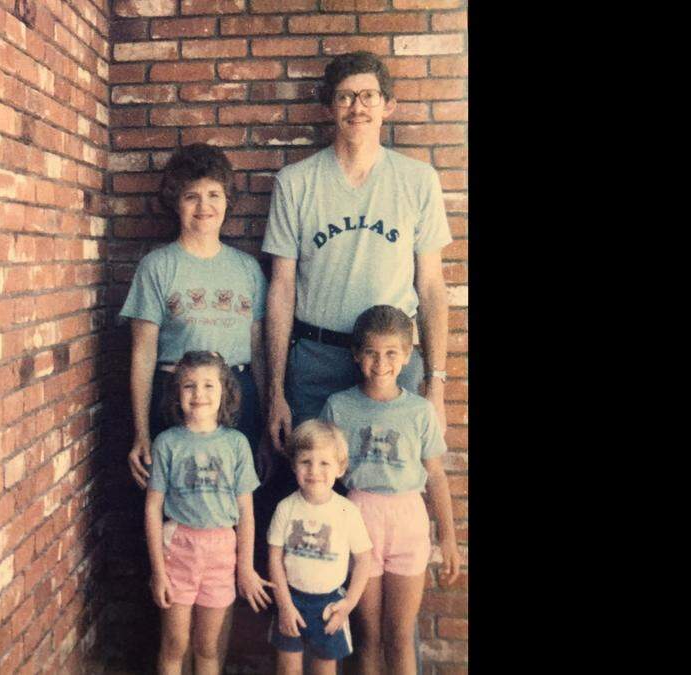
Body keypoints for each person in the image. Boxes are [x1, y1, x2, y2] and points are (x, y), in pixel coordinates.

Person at [262, 50, 453, 459]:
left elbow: (432, 287)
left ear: (389, 105)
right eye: (346, 97)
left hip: (393, 364)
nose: (357, 107)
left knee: (389, 488)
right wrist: (276, 391)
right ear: (329, 106)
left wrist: (435, 383)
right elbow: (281, 289)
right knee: (313, 493)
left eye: (368, 96)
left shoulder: (418, 181)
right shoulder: (295, 183)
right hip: (316, 360)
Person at [319, 306, 461, 674]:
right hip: (358, 519)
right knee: (367, 634)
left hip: (408, 519)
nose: (380, 363)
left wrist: (448, 538)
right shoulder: (339, 406)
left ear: (407, 355)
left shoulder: (420, 411)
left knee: (399, 634)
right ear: (355, 354)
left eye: (391, 353)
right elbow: (324, 475)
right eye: (370, 352)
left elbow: (436, 475)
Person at [122, 143, 269, 489]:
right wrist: (141, 432)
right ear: (176, 202)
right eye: (192, 196)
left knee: (237, 505)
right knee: (179, 501)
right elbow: (142, 355)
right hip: (177, 397)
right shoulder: (157, 267)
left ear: (227, 201)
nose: (205, 206)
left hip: (238, 396)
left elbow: (259, 353)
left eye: (214, 195)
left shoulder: (247, 268)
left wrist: (262, 426)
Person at [145, 351, 274, 675]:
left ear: (224, 392)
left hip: (221, 552)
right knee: (174, 643)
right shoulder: (167, 443)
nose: (199, 395)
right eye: (189, 386)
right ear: (176, 392)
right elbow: (152, 508)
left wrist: (245, 567)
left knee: (207, 648)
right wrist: (158, 571)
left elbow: (246, 511)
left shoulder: (236, 444)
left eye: (208, 386)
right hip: (178, 548)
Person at [266, 419, 373, 675]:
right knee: (287, 668)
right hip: (290, 598)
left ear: (340, 467)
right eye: (306, 462)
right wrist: (284, 605)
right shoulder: (286, 508)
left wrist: (348, 603)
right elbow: (274, 558)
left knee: (324, 670)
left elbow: (364, 560)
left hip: (329, 604)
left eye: (324, 463)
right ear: (294, 465)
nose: (314, 470)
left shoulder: (347, 511)